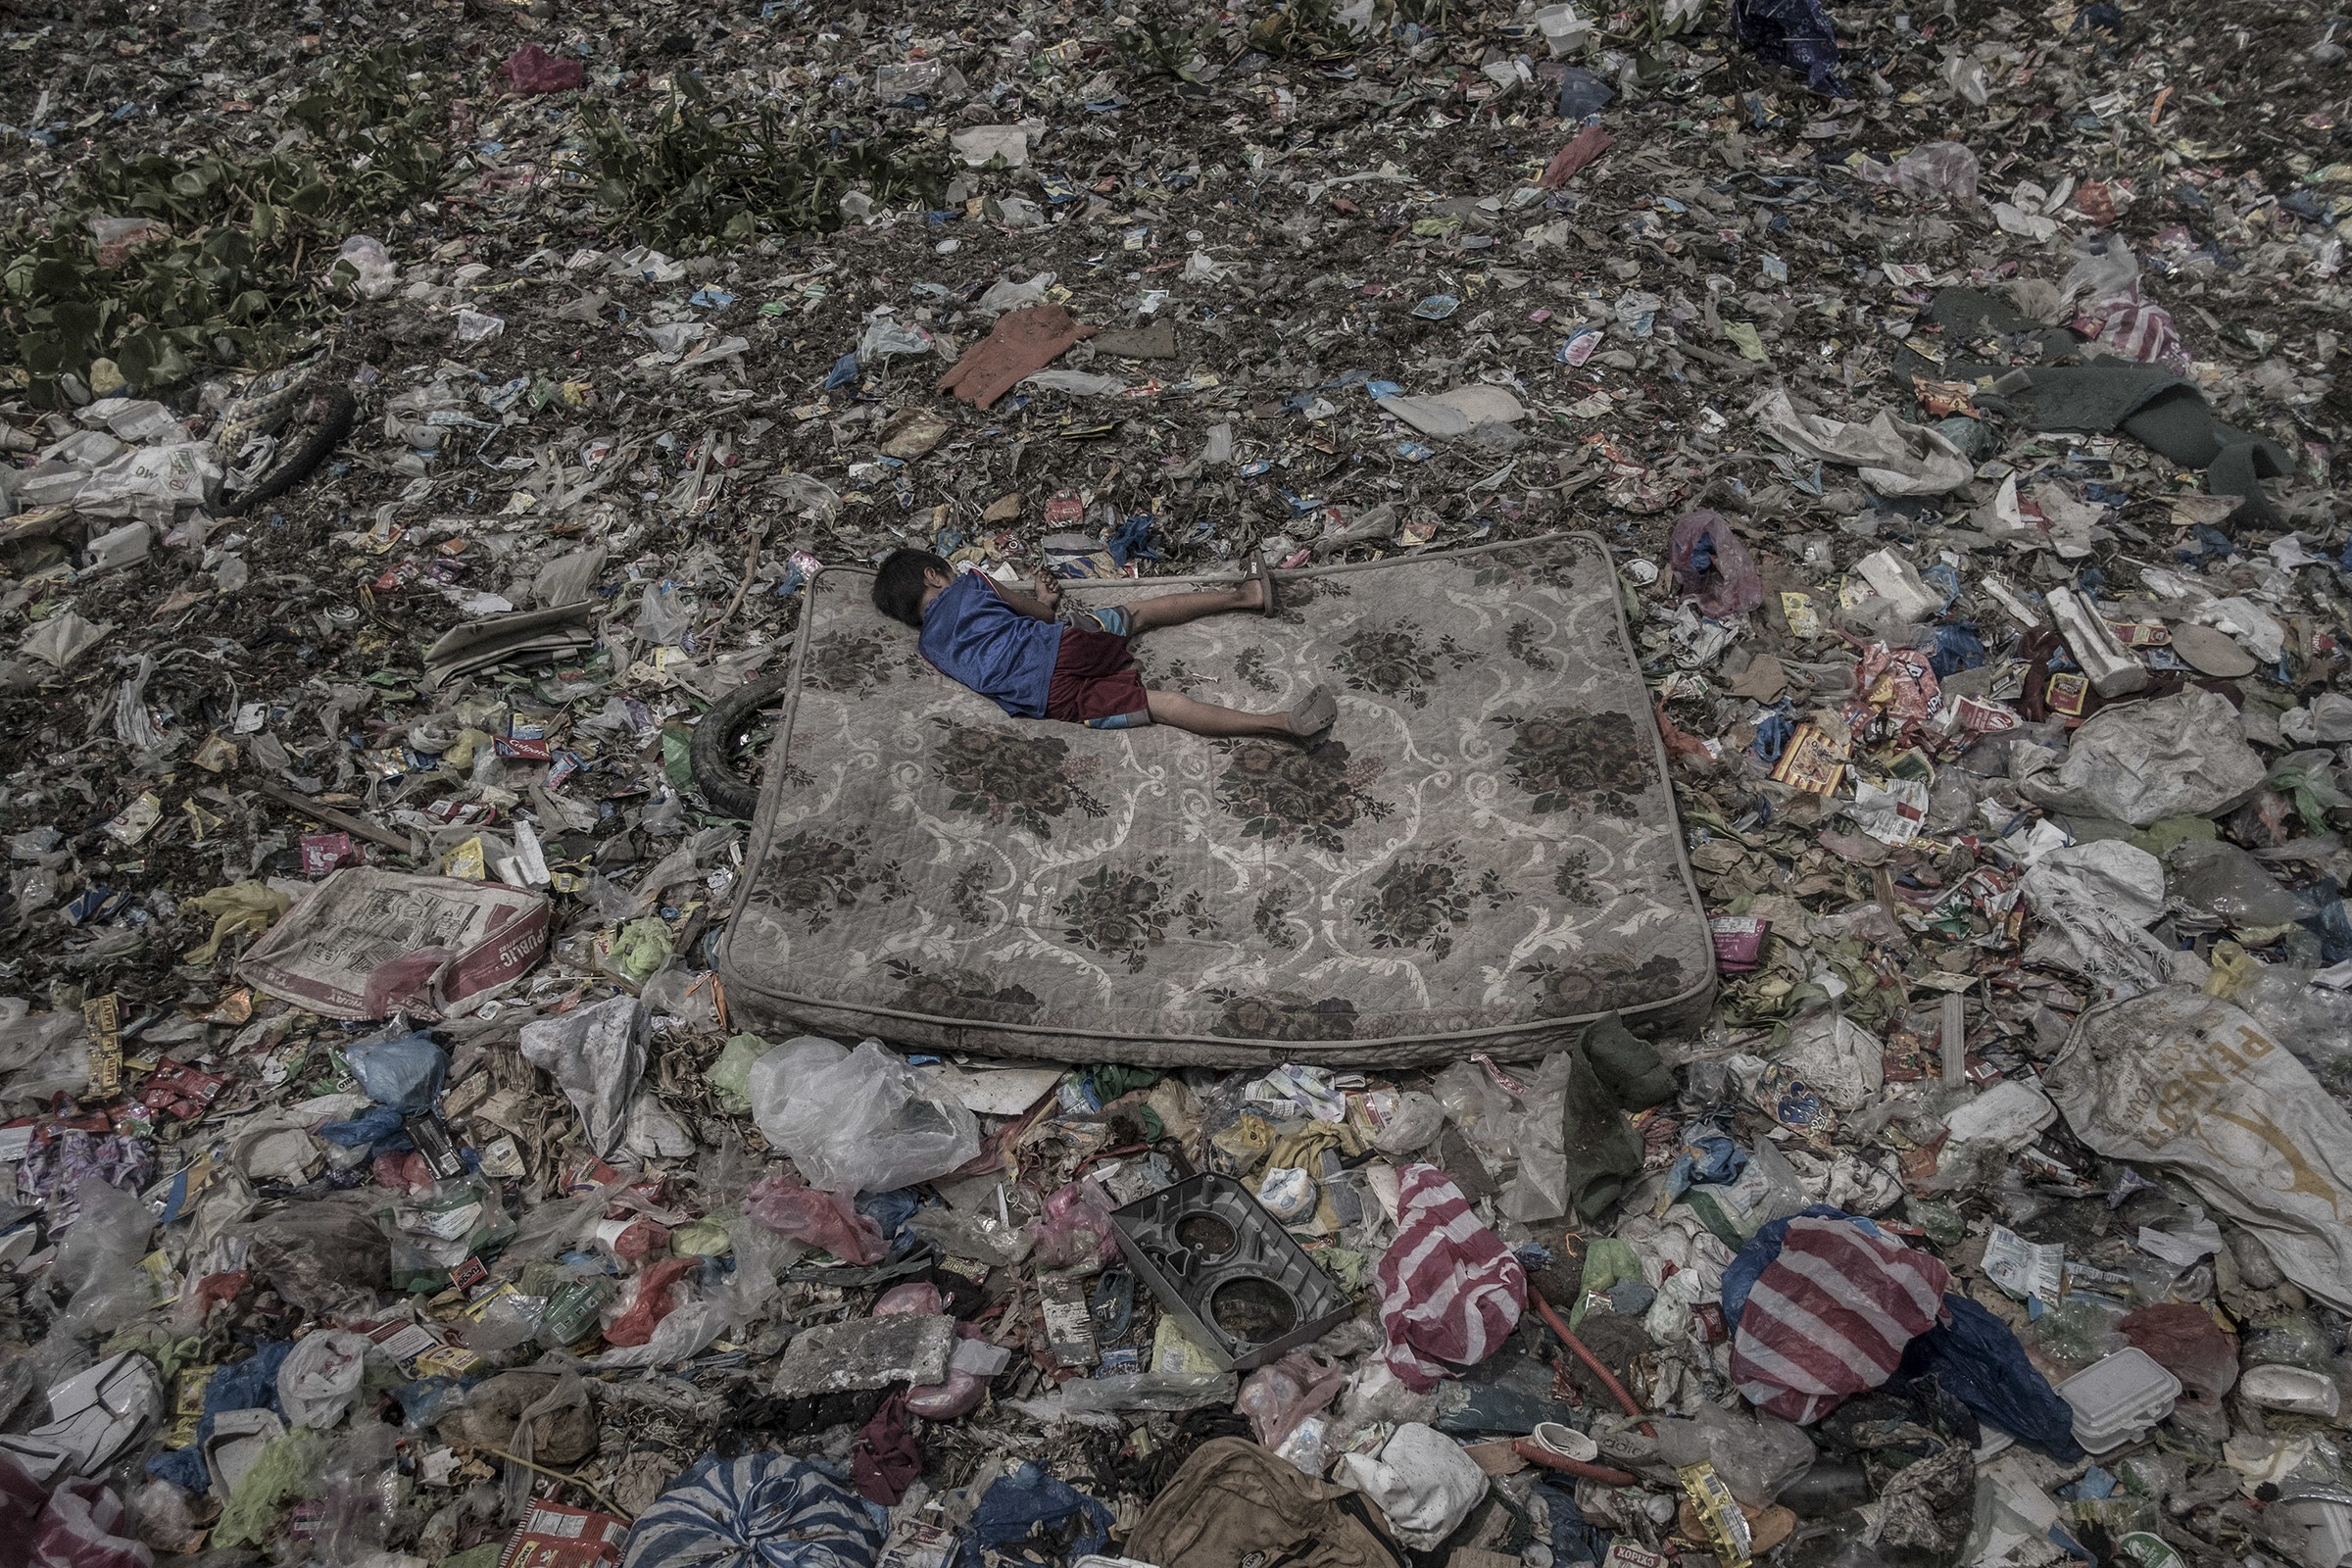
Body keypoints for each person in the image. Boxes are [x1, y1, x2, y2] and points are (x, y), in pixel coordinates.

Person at [871, 549, 1338, 738]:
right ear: (935, 575)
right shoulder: (970, 584)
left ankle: (1280, 724)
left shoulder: (927, 651)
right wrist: (1042, 597)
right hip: (1064, 648)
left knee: (1160, 704)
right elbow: (1039, 615)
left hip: (1050, 699)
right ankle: (1248, 594)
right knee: (1137, 614)